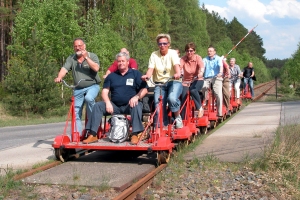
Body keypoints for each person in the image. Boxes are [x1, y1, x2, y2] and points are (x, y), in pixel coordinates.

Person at [83, 52, 148, 144]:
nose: (121, 63)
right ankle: (92, 134)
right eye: (119, 61)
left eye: (123, 61)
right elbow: (105, 92)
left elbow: (144, 89)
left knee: (137, 105)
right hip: (114, 106)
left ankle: (135, 134)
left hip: (129, 105)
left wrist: (137, 97)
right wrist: (108, 102)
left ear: (128, 62)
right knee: (98, 106)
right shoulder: (111, 76)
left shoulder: (135, 74)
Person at [54, 38, 101, 136]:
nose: (77, 48)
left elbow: (96, 68)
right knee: (75, 111)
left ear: (84, 46)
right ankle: (77, 135)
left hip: (92, 85)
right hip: (78, 88)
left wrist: (86, 57)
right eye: (75, 46)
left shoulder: (92, 56)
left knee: (89, 98)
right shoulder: (71, 58)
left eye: (79, 46)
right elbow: (64, 69)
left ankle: (92, 127)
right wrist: (59, 77)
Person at [141, 33, 182, 129]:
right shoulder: (154, 54)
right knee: (158, 105)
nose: (162, 45)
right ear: (157, 45)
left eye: (164, 43)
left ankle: (177, 117)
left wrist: (177, 73)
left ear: (168, 44)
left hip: (173, 81)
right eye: (160, 44)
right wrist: (147, 76)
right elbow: (150, 69)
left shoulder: (173, 53)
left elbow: (176, 66)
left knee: (172, 98)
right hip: (159, 84)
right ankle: (163, 125)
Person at [180, 42, 205, 118]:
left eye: (191, 51)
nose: (189, 52)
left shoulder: (198, 58)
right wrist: (179, 73)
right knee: (183, 96)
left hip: (197, 79)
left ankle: (200, 108)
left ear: (194, 51)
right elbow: (179, 67)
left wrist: (201, 72)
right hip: (186, 81)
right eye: (187, 51)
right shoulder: (183, 59)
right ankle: (183, 118)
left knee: (193, 90)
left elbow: (201, 67)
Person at [202, 46, 223, 120]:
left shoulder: (218, 59)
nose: (209, 52)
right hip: (207, 78)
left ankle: (219, 113)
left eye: (211, 51)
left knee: (218, 95)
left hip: (216, 77)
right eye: (208, 51)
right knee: (202, 87)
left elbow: (220, 67)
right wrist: (200, 73)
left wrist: (220, 72)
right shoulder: (204, 59)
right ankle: (206, 99)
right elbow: (202, 67)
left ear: (214, 52)